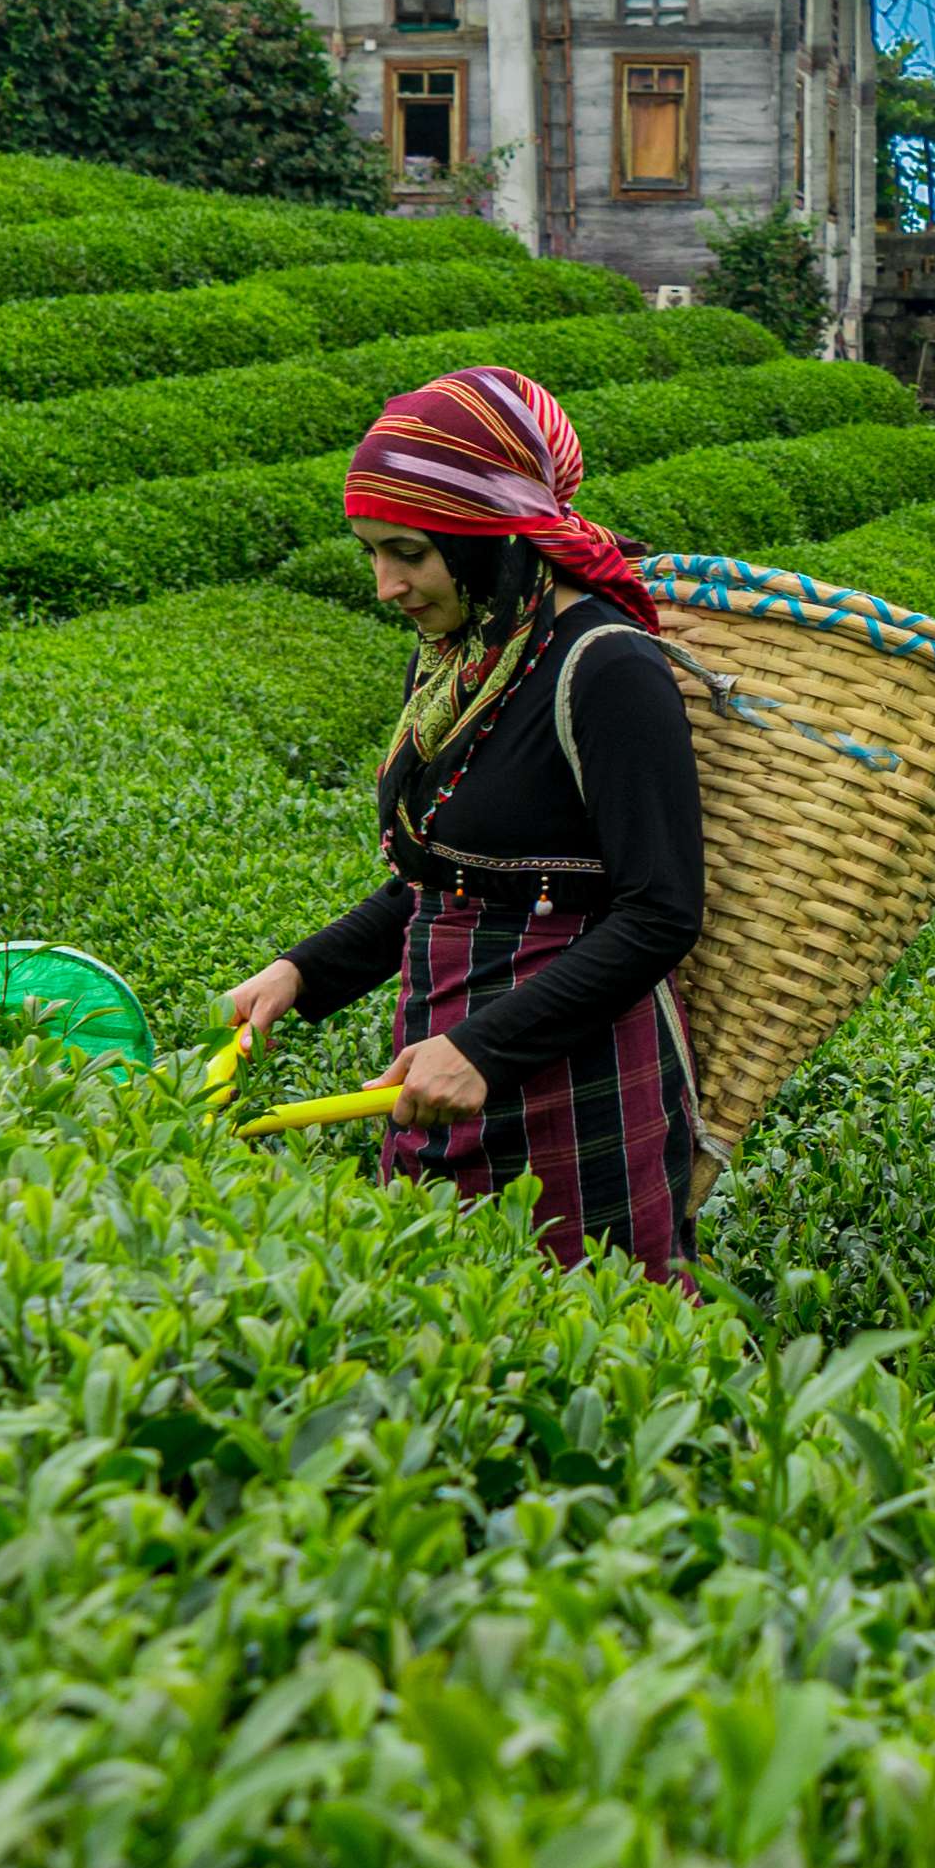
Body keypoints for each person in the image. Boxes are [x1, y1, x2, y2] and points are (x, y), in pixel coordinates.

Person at [220, 366, 712, 1278]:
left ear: (490, 539)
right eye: (369, 552)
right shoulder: (462, 659)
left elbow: (661, 912)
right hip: (437, 1058)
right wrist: (304, 972)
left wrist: (485, 1050)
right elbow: (448, 883)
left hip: (572, 1071)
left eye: (408, 552)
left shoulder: (608, 667)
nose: (386, 585)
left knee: (589, 1338)